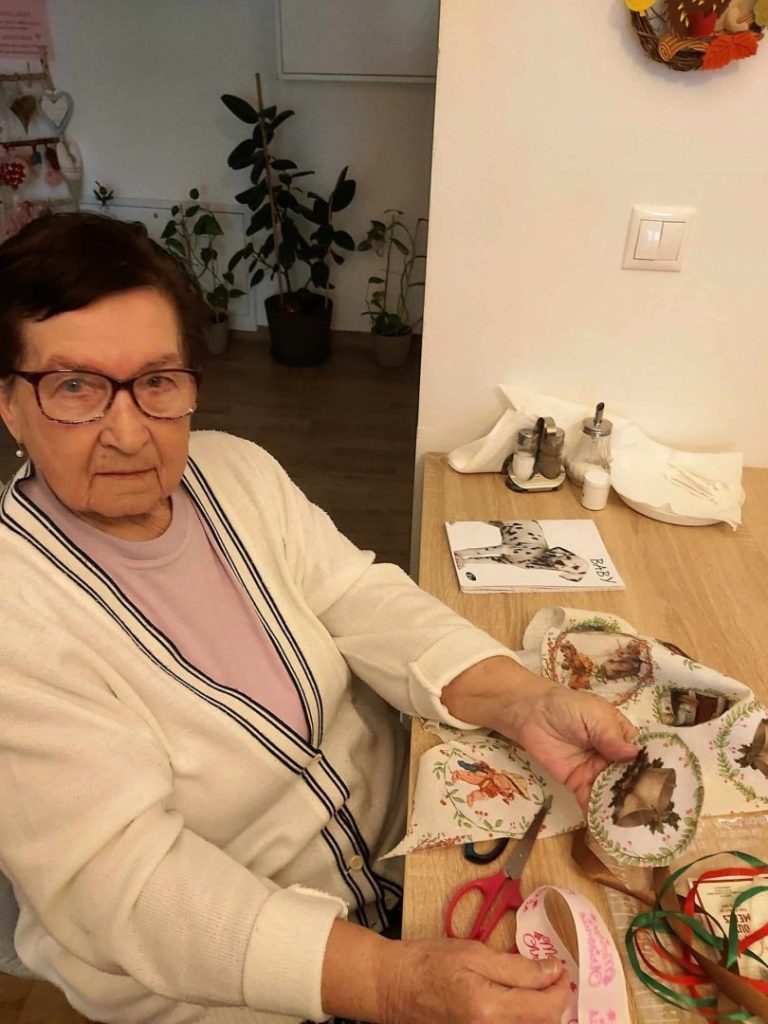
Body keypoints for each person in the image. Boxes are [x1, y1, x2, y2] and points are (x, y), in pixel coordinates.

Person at [0, 213, 638, 1024]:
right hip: (244, 988)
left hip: (409, 863)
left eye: (157, 381)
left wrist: (521, 699)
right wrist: (387, 981)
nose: (127, 433)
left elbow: (358, 596)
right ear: (9, 403)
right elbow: (131, 885)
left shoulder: (234, 473)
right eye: (74, 388)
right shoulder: (17, 617)